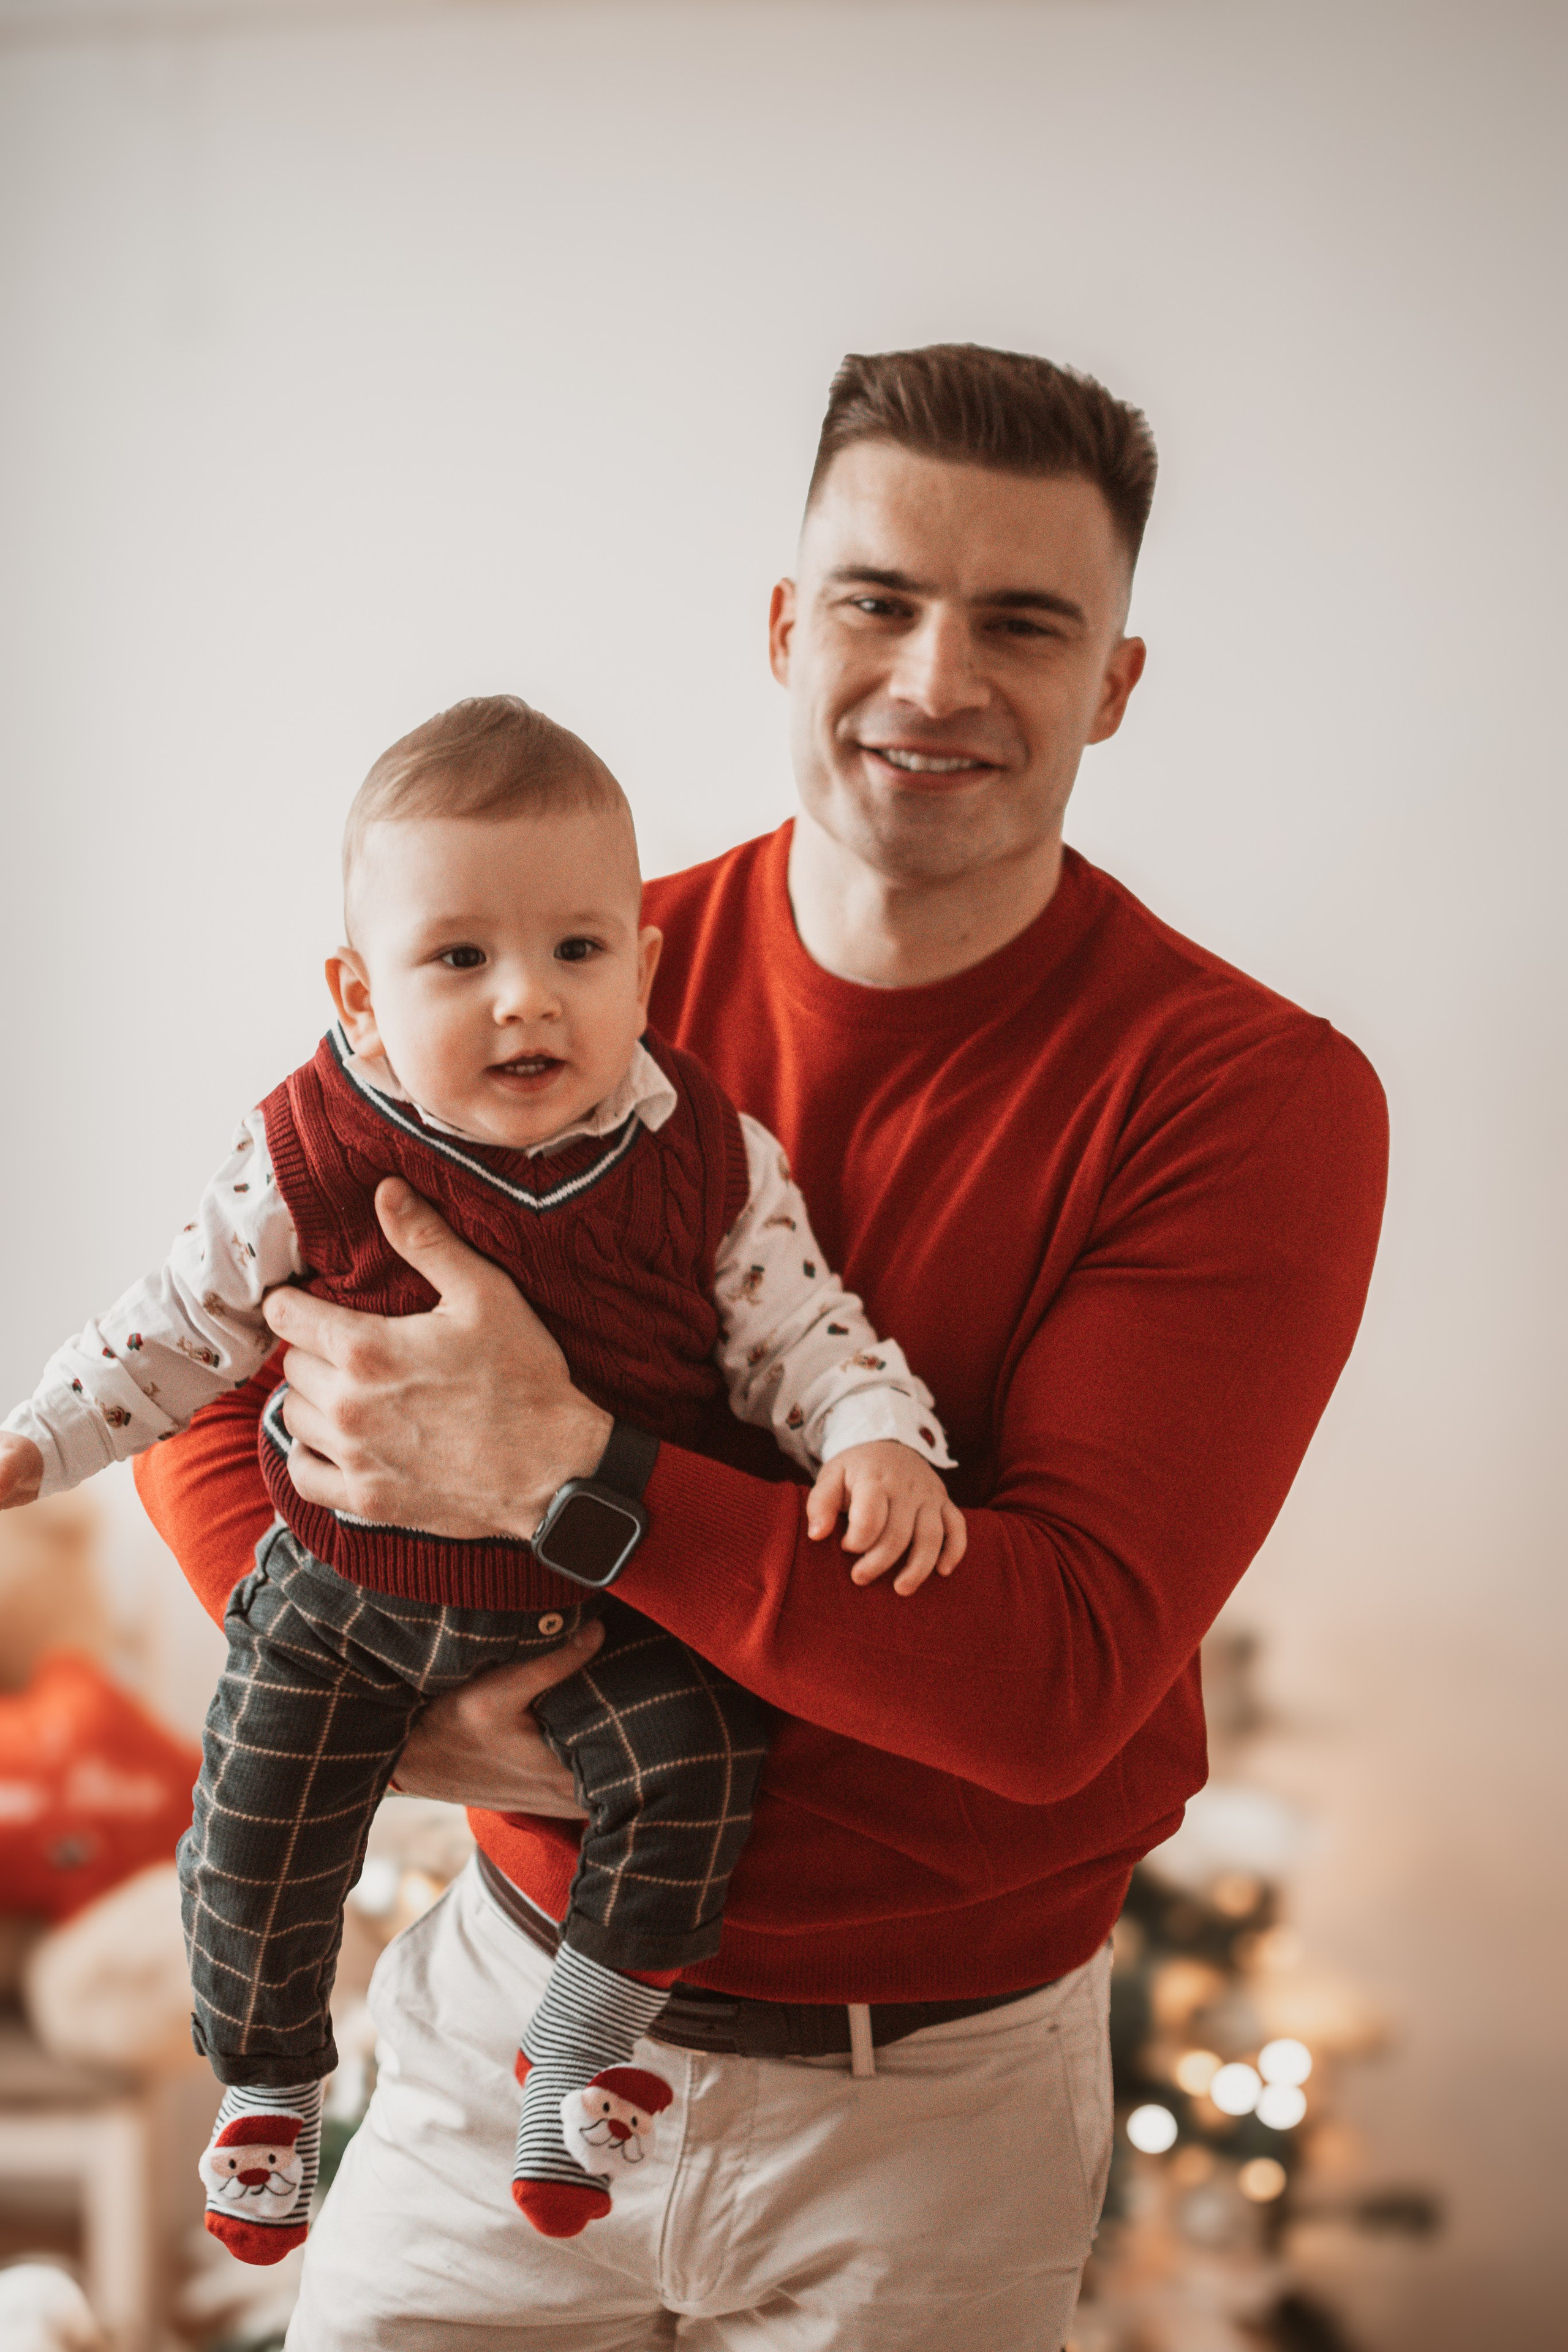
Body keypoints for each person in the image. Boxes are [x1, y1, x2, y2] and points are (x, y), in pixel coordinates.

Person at [135, 344, 1389, 2351]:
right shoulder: (548, 968)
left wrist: (567, 1476)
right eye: (881, 602)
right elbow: (214, 1377)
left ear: (1117, 683)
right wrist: (362, 1680)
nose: (935, 680)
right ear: (789, 627)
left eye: (1025, 623)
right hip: (494, 2023)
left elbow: (1052, 1678)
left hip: (930, 2122)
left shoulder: (1243, 1097)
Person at [0, 696, 962, 2260]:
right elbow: (175, 1328)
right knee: (255, 1826)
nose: (527, 998)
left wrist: (871, 1434)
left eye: (578, 951)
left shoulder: (706, 1159)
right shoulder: (306, 1153)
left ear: (642, 970)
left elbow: (801, 1331)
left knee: (698, 1769)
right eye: (458, 957)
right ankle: (269, 2089)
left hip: (598, 1604)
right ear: (360, 995)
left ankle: (575, 2053)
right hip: (340, 1599)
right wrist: (41, 1439)